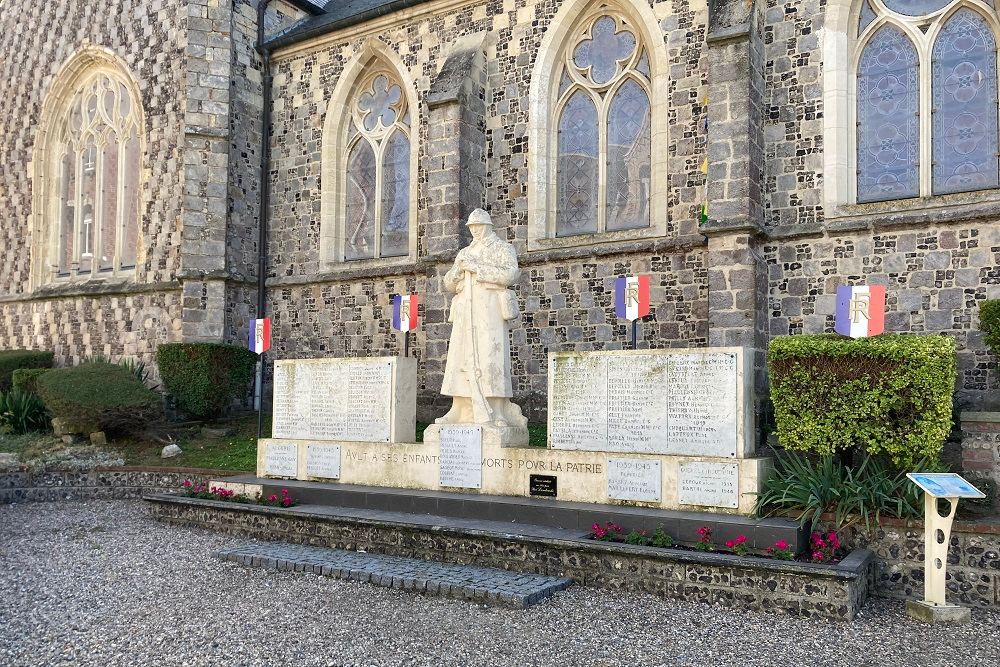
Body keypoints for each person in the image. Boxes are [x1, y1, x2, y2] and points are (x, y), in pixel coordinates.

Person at [436, 209, 528, 428]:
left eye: (478, 226)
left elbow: (511, 275)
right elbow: (448, 283)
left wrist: (477, 268)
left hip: (489, 310)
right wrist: (458, 271)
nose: (475, 230)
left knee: (490, 357)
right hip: (465, 311)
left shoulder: (502, 249)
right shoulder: (465, 252)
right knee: (460, 356)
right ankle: (459, 408)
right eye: (471, 227)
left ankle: (496, 411)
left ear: (488, 226)